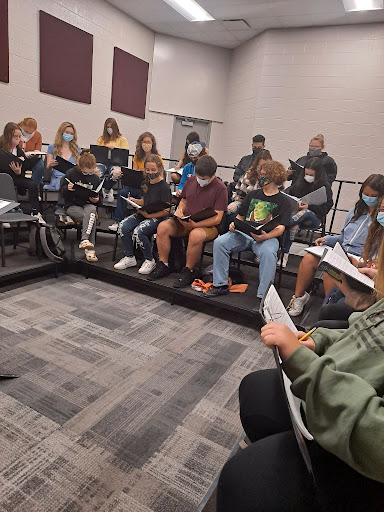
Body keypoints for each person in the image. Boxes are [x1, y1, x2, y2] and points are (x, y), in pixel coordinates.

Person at [216, 238, 384, 512]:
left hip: (357, 449)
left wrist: (306, 366)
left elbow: (376, 437)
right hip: (336, 388)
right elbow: (363, 333)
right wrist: (320, 341)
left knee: (243, 481)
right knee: (255, 389)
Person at [287, 173, 384, 316]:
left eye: (372, 195)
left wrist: (362, 262)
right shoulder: (355, 212)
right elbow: (344, 237)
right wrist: (327, 240)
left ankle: (328, 307)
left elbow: (379, 254)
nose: (368, 198)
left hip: (362, 261)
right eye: (365, 194)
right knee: (309, 258)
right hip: (344, 253)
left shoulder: (381, 220)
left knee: (331, 270)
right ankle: (299, 297)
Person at [206, 161, 291, 305]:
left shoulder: (284, 201)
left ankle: (263, 295)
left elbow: (281, 228)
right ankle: (220, 284)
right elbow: (240, 217)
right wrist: (234, 225)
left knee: (269, 253)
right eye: (260, 174)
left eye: (264, 175)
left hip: (267, 237)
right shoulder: (253, 195)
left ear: (274, 177)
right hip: (245, 234)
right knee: (220, 242)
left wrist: (265, 236)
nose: (260, 178)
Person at [148, 155, 228, 288]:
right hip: (186, 220)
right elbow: (184, 200)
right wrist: (179, 210)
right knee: (163, 227)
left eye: (204, 179)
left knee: (196, 234)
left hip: (208, 226)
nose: (200, 181)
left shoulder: (220, 188)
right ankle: (163, 264)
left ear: (213, 176)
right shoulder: (191, 181)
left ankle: (188, 270)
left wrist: (196, 225)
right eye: (198, 177)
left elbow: (217, 218)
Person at [114, 155, 171, 275]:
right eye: (148, 170)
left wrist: (149, 216)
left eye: (153, 170)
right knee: (123, 226)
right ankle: (129, 257)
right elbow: (145, 201)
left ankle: (149, 260)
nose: (150, 173)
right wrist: (134, 201)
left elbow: (166, 211)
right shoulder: (145, 183)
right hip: (144, 212)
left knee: (139, 231)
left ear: (160, 169)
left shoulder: (164, 187)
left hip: (158, 216)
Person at [282, 157, 333, 267]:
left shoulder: (325, 187)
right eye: (306, 174)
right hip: (297, 216)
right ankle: (284, 254)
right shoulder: (300, 183)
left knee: (305, 212)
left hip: (314, 217)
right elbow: (290, 195)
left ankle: (282, 223)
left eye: (311, 175)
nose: (308, 177)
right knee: (293, 227)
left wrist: (310, 206)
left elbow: (326, 207)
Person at [108, 132, 163, 232]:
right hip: (137, 187)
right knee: (122, 193)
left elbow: (161, 177)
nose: (146, 144)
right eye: (144, 142)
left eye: (149, 142)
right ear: (141, 143)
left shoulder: (158, 158)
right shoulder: (137, 156)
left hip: (150, 190)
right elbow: (135, 173)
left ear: (152, 144)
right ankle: (118, 221)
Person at [59, 150, 102, 262]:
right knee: (91, 218)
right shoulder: (71, 173)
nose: (88, 175)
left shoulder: (95, 178)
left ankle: (84, 240)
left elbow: (99, 199)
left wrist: (97, 200)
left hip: (87, 204)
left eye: (90, 173)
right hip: (72, 205)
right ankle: (90, 250)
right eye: (85, 173)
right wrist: (67, 189)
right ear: (79, 167)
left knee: (92, 209)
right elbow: (62, 192)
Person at [0, 122, 44, 222]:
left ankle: (36, 212)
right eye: (15, 136)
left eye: (19, 136)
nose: (18, 139)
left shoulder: (18, 150)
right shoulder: (2, 147)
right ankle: (6, 212)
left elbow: (23, 166)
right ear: (8, 136)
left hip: (16, 176)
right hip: (3, 178)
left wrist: (19, 171)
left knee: (32, 184)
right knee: (5, 184)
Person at [228, 149, 273, 215]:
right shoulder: (248, 175)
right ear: (256, 164)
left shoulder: (272, 179)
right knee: (230, 208)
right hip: (243, 203)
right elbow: (235, 193)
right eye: (260, 166)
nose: (261, 169)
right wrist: (238, 199)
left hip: (261, 208)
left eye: (265, 167)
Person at [95, 118, 129, 202]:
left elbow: (124, 153)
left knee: (116, 173)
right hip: (102, 163)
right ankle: (101, 192)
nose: (109, 129)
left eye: (111, 127)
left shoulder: (122, 139)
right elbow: (97, 152)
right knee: (96, 172)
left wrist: (115, 149)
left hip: (115, 163)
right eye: (107, 127)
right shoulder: (101, 139)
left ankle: (106, 189)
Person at [45, 122, 81, 191]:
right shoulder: (52, 147)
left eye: (72, 134)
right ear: (61, 132)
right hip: (57, 178)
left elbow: (79, 167)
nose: (69, 135)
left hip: (71, 178)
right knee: (62, 184)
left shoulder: (77, 149)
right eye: (67, 132)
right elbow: (47, 168)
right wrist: (50, 165)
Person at [18, 117, 44, 185]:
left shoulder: (37, 135)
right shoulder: (16, 132)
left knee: (40, 165)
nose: (28, 133)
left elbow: (38, 149)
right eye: (26, 131)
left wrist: (34, 153)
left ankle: (34, 186)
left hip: (30, 159)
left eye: (31, 132)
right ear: (22, 126)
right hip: (17, 157)